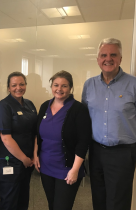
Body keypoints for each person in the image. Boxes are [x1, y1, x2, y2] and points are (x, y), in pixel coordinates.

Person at [82, 38, 136, 210]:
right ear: (98, 59)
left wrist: (130, 146)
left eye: (113, 54)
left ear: (121, 58)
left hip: (122, 153)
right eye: (103, 55)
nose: (108, 59)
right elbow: (85, 118)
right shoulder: (89, 85)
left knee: (118, 202)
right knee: (98, 198)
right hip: (96, 151)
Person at [33, 70, 92, 210]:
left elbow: (83, 142)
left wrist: (75, 169)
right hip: (46, 166)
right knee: (52, 205)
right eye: (56, 85)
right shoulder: (44, 106)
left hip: (67, 168)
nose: (59, 89)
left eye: (64, 86)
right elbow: (37, 134)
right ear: (51, 86)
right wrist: (35, 155)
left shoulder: (79, 109)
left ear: (70, 88)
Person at [0, 72, 37, 210]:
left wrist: (34, 156)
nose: (18, 88)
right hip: (10, 161)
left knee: (23, 199)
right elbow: (5, 138)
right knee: (9, 201)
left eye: (21, 84)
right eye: (14, 85)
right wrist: (24, 158)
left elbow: (35, 133)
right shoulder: (3, 106)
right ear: (8, 88)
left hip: (27, 161)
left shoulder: (29, 104)